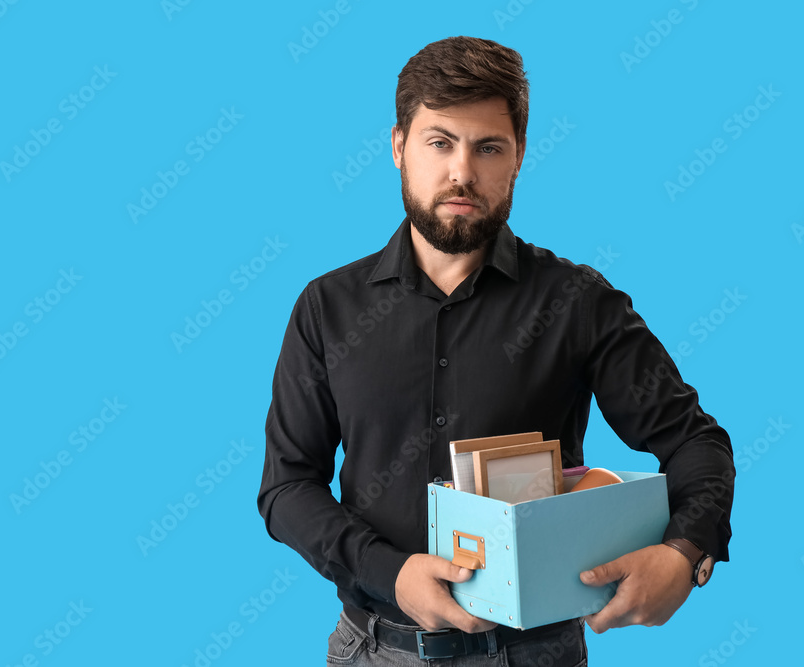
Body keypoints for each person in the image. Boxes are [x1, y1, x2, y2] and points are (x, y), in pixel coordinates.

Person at [257, 36, 734, 665]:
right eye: (439, 142)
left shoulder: (578, 302)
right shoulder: (327, 307)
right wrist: (390, 572)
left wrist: (684, 555)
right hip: (372, 647)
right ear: (398, 147)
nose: (462, 172)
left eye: (488, 147)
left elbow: (697, 442)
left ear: (518, 157)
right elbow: (287, 487)